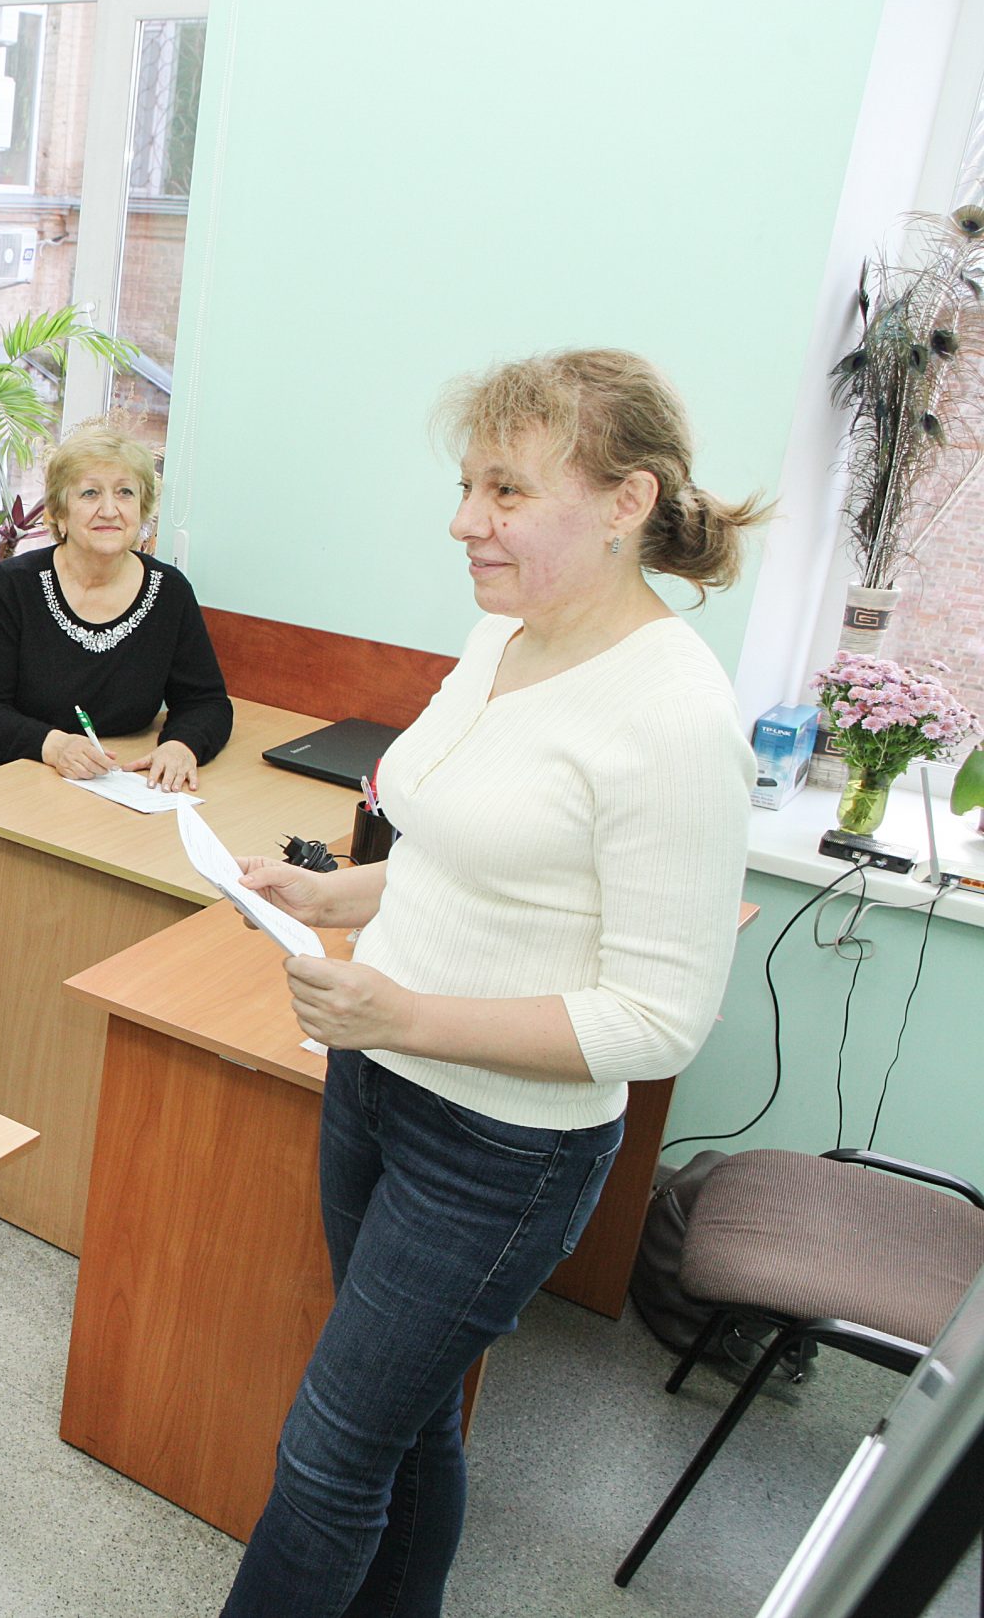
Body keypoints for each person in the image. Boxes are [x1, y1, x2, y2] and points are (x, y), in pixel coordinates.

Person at [217, 350, 764, 1616]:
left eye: (506, 492)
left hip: (500, 1151)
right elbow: (462, 860)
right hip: (376, 1088)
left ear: (627, 502)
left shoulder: (674, 718)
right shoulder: (501, 635)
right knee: (406, 1427)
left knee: (329, 1450)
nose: (465, 521)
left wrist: (403, 1011)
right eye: (468, 485)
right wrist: (334, 898)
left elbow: (657, 1018)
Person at [0, 418, 230, 795]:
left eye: (125, 493)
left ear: (142, 509)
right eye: (90, 494)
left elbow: (206, 702)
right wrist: (54, 744)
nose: (110, 510)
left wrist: (182, 744)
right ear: (59, 512)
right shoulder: (14, 586)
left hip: (110, 783)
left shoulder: (169, 591)